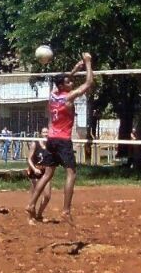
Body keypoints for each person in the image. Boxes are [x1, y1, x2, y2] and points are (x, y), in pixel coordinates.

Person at [27, 52, 93, 224]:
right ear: (63, 85)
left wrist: (73, 70)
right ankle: (66, 210)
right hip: (63, 140)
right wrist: (87, 63)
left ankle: (31, 203)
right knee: (71, 173)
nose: (71, 83)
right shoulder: (68, 97)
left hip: (51, 139)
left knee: (48, 174)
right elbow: (88, 83)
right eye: (69, 82)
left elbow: (61, 82)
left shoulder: (53, 95)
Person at [26, 127, 52, 218]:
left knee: (47, 196)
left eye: (47, 132)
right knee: (34, 196)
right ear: (41, 133)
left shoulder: (50, 145)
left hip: (46, 173)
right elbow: (29, 159)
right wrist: (34, 169)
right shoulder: (35, 144)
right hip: (35, 172)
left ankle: (39, 214)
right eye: (44, 132)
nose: (45, 134)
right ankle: (30, 217)